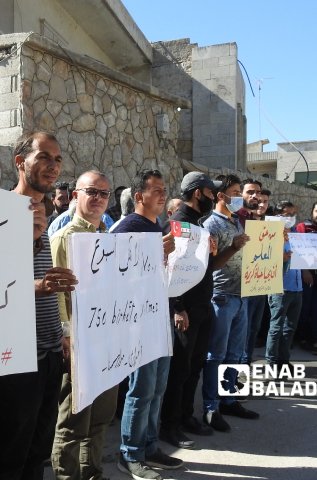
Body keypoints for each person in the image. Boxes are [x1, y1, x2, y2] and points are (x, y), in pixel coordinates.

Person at [0, 129, 78, 480]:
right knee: (9, 454)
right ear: (20, 162)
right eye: (44, 157)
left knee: (37, 452)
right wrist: (29, 249)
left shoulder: (48, 219)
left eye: (57, 159)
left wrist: (62, 334)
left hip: (50, 353)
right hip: (16, 359)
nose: (53, 166)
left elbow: (45, 286)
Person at [113, 169, 180, 480]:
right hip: (138, 321)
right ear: (139, 197)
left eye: (164, 189)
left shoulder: (159, 226)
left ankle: (150, 446)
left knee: (158, 387)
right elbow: (111, 273)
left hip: (160, 316)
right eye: (156, 190)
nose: (163, 194)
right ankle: (130, 454)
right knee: (141, 389)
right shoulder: (126, 228)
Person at [50, 171, 115, 480]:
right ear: (75, 195)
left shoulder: (108, 239)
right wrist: (66, 336)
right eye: (92, 191)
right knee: (74, 421)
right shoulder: (64, 238)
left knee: (101, 416)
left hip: (107, 342)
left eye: (104, 194)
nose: (99, 198)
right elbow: (56, 292)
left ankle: (93, 472)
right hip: (79, 343)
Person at [159, 172, 220, 450]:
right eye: (211, 192)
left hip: (203, 306)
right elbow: (171, 272)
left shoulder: (199, 225)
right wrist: (178, 308)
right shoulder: (177, 224)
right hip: (185, 310)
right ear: (198, 193)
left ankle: (186, 416)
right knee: (180, 369)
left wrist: (216, 252)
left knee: (194, 366)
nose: (214, 197)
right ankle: (169, 426)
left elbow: (201, 268)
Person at [201, 174, 259, 433]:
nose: (240, 197)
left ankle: (229, 399)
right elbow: (210, 266)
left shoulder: (237, 222)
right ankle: (211, 407)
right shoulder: (210, 225)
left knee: (236, 354)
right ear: (220, 196)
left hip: (241, 296)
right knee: (216, 355)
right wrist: (234, 248)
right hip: (222, 297)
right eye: (235, 192)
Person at [265, 201, 302, 372]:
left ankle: (283, 360)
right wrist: (280, 258)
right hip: (279, 287)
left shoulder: (296, 234)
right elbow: (263, 257)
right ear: (277, 216)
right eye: (287, 215)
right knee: (276, 327)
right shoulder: (271, 234)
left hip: (297, 287)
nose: (291, 218)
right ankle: (272, 362)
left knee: (290, 328)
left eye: (293, 214)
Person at [296, 201, 317, 356]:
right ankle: (302, 339)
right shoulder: (302, 227)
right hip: (307, 276)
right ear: (312, 212)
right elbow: (298, 250)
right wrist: (305, 271)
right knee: (304, 309)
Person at [238, 179, 266, 366]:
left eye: (257, 192)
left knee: (252, 331)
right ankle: (234, 381)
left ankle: (243, 374)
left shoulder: (256, 222)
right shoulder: (235, 218)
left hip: (258, 284)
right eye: (250, 192)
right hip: (238, 288)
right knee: (240, 335)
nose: (255, 196)